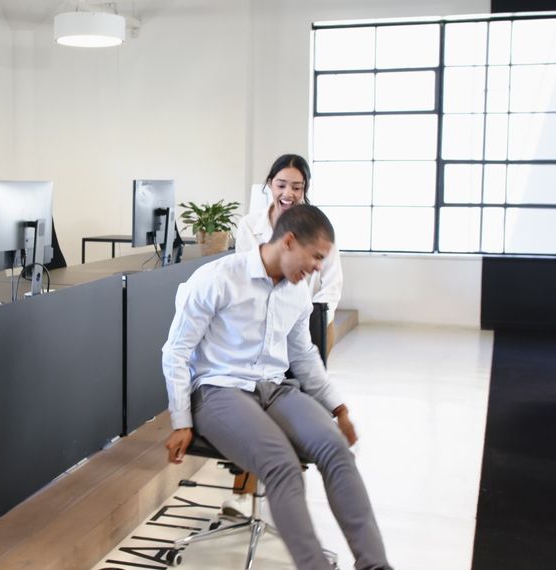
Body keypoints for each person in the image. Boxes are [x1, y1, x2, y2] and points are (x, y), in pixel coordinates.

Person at [162, 205, 390, 570]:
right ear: (288, 241)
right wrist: (180, 420)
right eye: (316, 256)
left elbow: (303, 356)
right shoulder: (218, 278)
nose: (318, 267)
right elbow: (175, 351)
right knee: (280, 462)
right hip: (219, 391)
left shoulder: (297, 292)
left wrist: (338, 409)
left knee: (336, 451)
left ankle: (376, 565)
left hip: (274, 389)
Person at [235, 154, 343, 352]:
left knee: (309, 378)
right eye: (281, 185)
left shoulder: (320, 227)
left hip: (309, 324)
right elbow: (243, 276)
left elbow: (332, 285)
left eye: (296, 187)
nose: (288, 194)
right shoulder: (249, 226)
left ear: (304, 189)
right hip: (260, 324)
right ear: (270, 184)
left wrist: (312, 319)